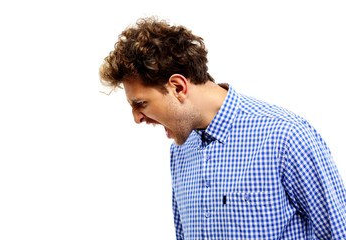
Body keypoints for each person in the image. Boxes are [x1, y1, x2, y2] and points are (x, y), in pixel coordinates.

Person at [99, 17, 346, 239]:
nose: (137, 118)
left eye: (141, 104)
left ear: (178, 87)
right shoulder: (181, 151)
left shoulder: (286, 136)